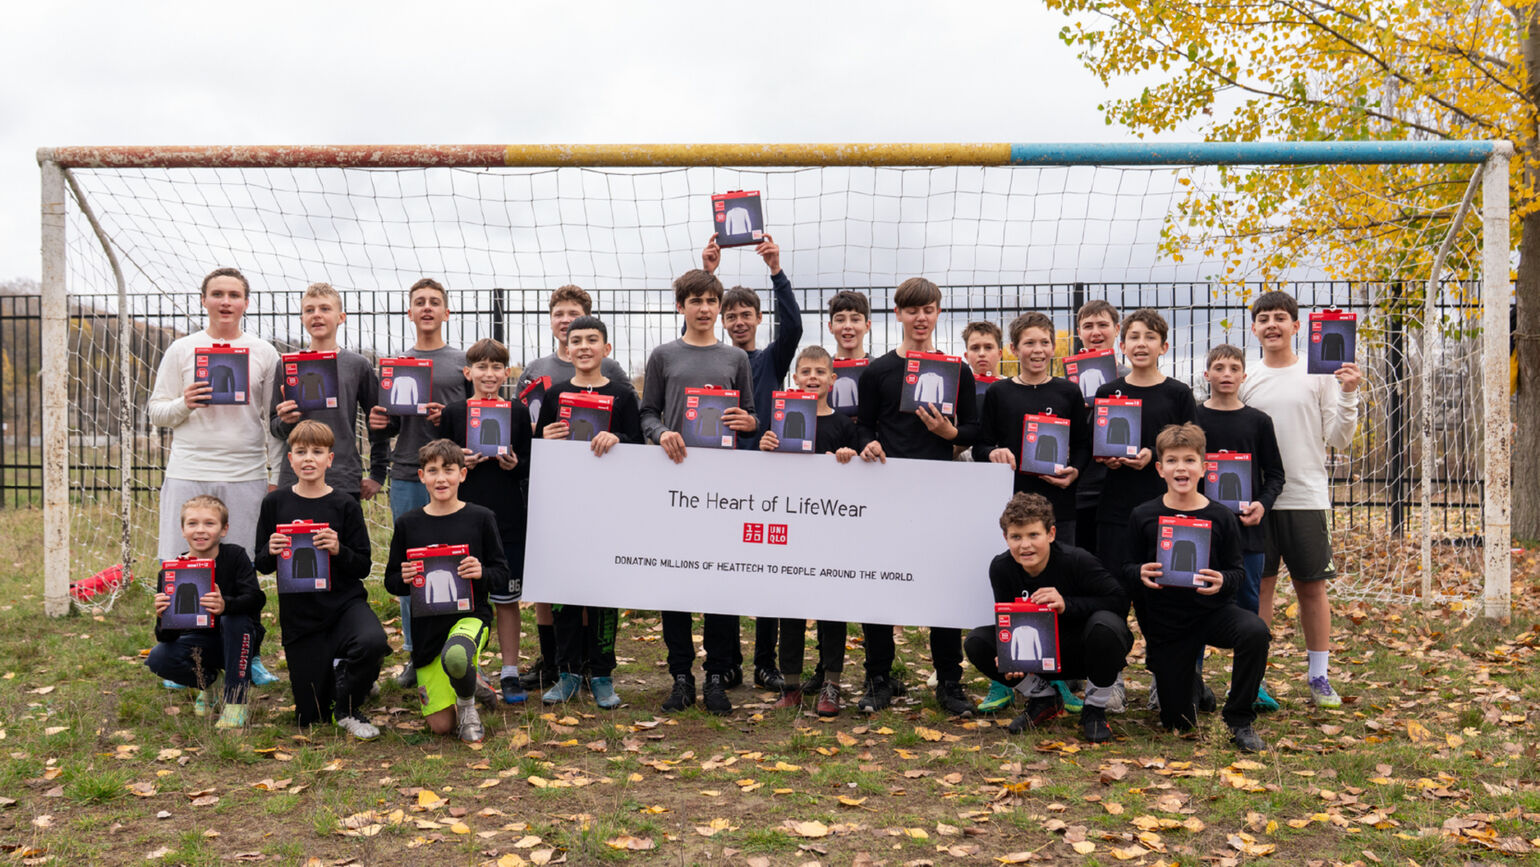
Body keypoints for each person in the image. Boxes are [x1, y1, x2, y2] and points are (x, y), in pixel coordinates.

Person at [146, 266, 283, 688]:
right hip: (189, 468)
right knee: (182, 566)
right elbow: (157, 411)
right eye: (218, 294)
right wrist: (184, 403)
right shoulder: (183, 350)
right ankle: (186, 657)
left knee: (241, 571)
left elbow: (272, 420)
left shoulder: (263, 352)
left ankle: (248, 655)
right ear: (204, 300)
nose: (226, 301)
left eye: (234, 295)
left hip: (243, 472)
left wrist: (275, 475)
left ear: (246, 303)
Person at [855, 277, 979, 717]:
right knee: (878, 585)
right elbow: (863, 424)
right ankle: (878, 678)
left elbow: (974, 430)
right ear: (898, 315)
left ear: (938, 313)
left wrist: (951, 434)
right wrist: (868, 443)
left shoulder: (957, 370)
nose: (920, 317)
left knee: (942, 588)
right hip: (887, 491)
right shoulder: (878, 371)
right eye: (912, 310)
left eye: (928, 309)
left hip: (938, 492)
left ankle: (949, 681)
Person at [639, 267, 758, 715]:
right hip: (674, 480)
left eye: (712, 302)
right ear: (681, 307)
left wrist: (750, 423)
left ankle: (717, 677)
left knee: (719, 581)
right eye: (696, 302)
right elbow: (646, 413)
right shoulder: (663, 356)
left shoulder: (736, 359)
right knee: (676, 580)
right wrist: (660, 434)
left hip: (721, 485)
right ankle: (680, 675)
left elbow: (750, 416)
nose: (705, 309)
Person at [1239, 291, 1361, 709]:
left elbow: (1341, 438)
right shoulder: (1246, 379)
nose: (1271, 324)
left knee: (1311, 588)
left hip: (1306, 496)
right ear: (1254, 328)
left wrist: (1348, 393)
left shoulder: (1321, 375)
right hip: (1256, 503)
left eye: (1280, 318)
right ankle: (1254, 679)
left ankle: (1319, 676)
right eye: (1263, 318)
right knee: (1261, 590)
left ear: (1296, 327)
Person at [1122, 423, 1270, 752]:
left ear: (1203, 468)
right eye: (1172, 461)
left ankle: (1239, 719)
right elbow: (1126, 567)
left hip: (1212, 613)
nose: (1181, 468)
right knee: (1178, 722)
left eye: (1190, 460)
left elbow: (1236, 571)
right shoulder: (1143, 515)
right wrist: (1140, 573)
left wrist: (1221, 581)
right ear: (1160, 469)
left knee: (1255, 631)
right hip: (1167, 623)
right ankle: (1194, 686)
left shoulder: (1221, 516)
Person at [971, 312, 1091, 715]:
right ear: (1013, 349)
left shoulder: (1068, 393)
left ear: (1053, 347)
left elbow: (1084, 446)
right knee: (1008, 590)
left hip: (1060, 506)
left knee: (1062, 592)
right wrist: (994, 452)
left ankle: (1065, 680)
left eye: (1044, 342)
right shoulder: (1000, 394)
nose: (1037, 350)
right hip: (1014, 508)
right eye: (1029, 343)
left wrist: (1074, 468)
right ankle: (1004, 678)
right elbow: (981, 444)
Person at [703, 233, 805, 692]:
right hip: (719, 477)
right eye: (732, 314)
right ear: (722, 320)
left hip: (766, 477)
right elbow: (693, 328)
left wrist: (776, 270)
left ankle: (767, 661)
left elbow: (796, 328)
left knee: (766, 572)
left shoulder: (770, 360)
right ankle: (724, 661)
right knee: (720, 571)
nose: (739, 321)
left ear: (759, 319)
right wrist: (708, 274)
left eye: (747, 314)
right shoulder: (714, 361)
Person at [533, 315, 644, 710]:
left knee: (600, 594)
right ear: (566, 349)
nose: (582, 346)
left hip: (606, 509)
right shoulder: (555, 395)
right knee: (564, 593)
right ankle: (566, 672)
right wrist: (543, 436)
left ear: (605, 349)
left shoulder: (623, 395)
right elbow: (538, 450)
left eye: (591, 340)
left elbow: (636, 446)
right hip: (564, 506)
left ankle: (601, 674)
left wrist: (620, 438)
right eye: (574, 340)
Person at [253, 421, 387, 738]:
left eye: (317, 451)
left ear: (330, 458)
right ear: (289, 460)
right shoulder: (275, 503)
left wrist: (339, 549)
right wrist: (270, 550)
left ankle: (349, 707)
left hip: (344, 605)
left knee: (373, 642)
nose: (308, 458)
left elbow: (363, 566)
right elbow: (262, 564)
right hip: (301, 616)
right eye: (301, 452)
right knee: (310, 716)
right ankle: (341, 671)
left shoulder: (345, 504)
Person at [962, 493, 1131, 742]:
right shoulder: (1001, 567)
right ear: (1005, 538)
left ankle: (1094, 709)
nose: (1025, 545)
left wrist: (1067, 604)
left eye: (1033, 535)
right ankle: (1043, 699)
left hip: (1084, 650)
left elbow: (1119, 600)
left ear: (1051, 534)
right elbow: (1005, 618)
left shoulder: (1077, 561)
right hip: (1037, 654)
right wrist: (1009, 655)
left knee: (1106, 626)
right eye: (1016, 537)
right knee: (977, 641)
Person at [368, 277, 468, 689]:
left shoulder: (462, 363)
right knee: (415, 568)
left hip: (456, 476)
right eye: (419, 303)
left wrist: (446, 418)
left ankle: (460, 649)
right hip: (409, 473)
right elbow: (390, 423)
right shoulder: (394, 365)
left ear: (446, 312)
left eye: (435, 302)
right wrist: (380, 422)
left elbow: (474, 421)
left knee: (458, 564)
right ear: (410, 313)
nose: (427, 308)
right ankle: (416, 654)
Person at [382, 440, 509, 743]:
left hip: (469, 619)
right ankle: (471, 679)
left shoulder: (481, 518)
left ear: (462, 475)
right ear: (421, 476)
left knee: (456, 655)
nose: (441, 478)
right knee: (441, 726)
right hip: (428, 631)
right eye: (433, 471)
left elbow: (502, 574)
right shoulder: (407, 524)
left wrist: (481, 573)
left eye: (449, 470)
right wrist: (406, 577)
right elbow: (391, 580)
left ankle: (467, 706)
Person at [757, 345, 860, 716]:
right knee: (791, 606)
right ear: (795, 378)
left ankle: (831, 684)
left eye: (820, 372)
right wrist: (765, 446)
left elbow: (862, 474)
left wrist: (849, 458)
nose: (813, 377)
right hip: (792, 528)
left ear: (833, 380)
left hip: (832, 531)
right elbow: (767, 474)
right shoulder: (779, 420)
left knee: (832, 606)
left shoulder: (845, 425)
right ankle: (791, 685)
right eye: (806, 372)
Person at [433, 339, 533, 705]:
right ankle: (467, 668)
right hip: (463, 519)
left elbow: (530, 463)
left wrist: (514, 464)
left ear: (506, 373)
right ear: (468, 372)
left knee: (506, 600)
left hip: (507, 518)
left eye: (496, 368)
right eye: (481, 367)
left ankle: (510, 672)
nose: (488, 374)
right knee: (464, 600)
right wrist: (461, 464)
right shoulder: (454, 413)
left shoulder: (518, 412)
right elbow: (439, 467)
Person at [1195, 344, 1286, 711]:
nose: (1227, 373)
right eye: (1219, 367)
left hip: (1246, 532)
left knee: (1248, 606)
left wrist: (1262, 505)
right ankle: (1191, 680)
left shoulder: (1258, 421)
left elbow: (1276, 474)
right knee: (1195, 603)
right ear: (1207, 375)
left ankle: (1250, 686)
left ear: (1244, 375)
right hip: (1200, 531)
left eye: (1234, 367)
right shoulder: (1194, 420)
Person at [1091, 309, 1197, 582]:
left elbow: (1193, 447)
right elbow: (1095, 444)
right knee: (1115, 586)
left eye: (1150, 337)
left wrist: (1154, 453)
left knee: (1161, 586)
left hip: (1164, 504)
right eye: (1133, 337)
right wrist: (1105, 457)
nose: (1141, 343)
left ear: (1163, 347)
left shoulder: (1178, 394)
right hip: (1116, 507)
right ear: (1122, 346)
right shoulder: (1107, 392)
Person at [146, 495, 266, 729]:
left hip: (239, 640)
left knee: (235, 620)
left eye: (209, 523)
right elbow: (165, 638)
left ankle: (235, 701)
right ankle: (210, 682)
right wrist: (163, 619)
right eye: (192, 523)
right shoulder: (172, 572)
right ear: (182, 530)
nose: (200, 530)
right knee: (158, 657)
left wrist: (225, 605)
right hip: (200, 644)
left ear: (224, 529)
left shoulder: (235, 556)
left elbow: (256, 599)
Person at [268, 282, 389, 501]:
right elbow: (275, 427)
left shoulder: (358, 365)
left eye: (325, 309)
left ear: (341, 317)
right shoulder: (286, 365)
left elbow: (378, 422)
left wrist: (378, 473)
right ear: (302, 318)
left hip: (343, 477)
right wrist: (286, 420)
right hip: (295, 479)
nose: (317, 315)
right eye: (309, 310)